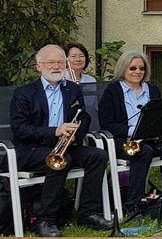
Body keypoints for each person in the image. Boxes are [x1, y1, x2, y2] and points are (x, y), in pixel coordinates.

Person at [11, 45, 114, 236]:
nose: (56, 66)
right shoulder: (24, 93)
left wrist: (76, 133)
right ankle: (45, 220)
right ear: (39, 66)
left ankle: (88, 212)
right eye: (51, 62)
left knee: (98, 156)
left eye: (60, 62)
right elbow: (20, 128)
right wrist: (55, 131)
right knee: (61, 161)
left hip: (65, 146)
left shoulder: (72, 90)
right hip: (32, 149)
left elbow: (84, 117)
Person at [99, 51, 162, 217]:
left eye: (141, 68)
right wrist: (132, 131)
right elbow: (107, 124)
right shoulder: (112, 91)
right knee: (144, 151)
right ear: (123, 69)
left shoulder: (152, 90)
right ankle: (133, 204)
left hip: (152, 138)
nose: (137, 72)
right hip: (124, 141)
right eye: (132, 68)